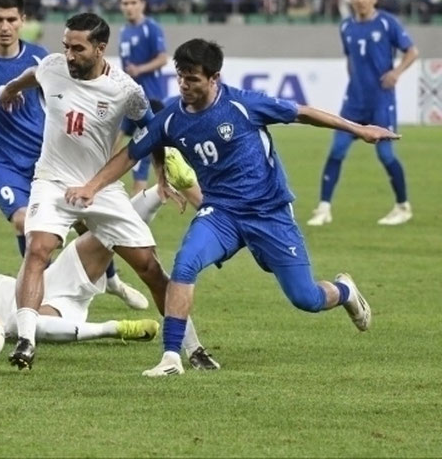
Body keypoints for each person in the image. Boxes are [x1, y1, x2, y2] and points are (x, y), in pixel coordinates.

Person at [66, 38, 395, 377]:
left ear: (214, 78)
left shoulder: (242, 104)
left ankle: (344, 291)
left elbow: (304, 113)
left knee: (306, 298)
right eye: (180, 76)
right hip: (221, 213)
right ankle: (171, 358)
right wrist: (93, 186)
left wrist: (360, 129)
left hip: (269, 213)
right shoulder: (171, 118)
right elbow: (130, 154)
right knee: (185, 263)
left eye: (192, 78)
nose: (184, 85)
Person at [0, 12, 188, 370]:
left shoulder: (125, 89)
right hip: (51, 181)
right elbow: (31, 76)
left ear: (100, 49)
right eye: (66, 46)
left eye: (78, 48)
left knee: (149, 267)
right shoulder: (52, 66)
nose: (69, 55)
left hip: (101, 188)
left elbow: (152, 128)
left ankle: (189, 347)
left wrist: (162, 172)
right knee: (38, 249)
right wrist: (9, 90)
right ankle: (26, 340)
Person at [0, 0, 147, 308]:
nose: (5, 26)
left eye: (11, 19)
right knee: (25, 222)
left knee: (85, 222)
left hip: (47, 156)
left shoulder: (42, 58)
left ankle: (112, 280)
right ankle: (46, 293)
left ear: (22, 21)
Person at [0, 188, 218, 369]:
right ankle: (114, 328)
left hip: (48, 283)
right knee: (23, 326)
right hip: (42, 317)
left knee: (106, 233)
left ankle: (161, 189)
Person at [308, 0, 419, 227]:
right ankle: (324, 208)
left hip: (381, 102)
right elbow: (350, 59)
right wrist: (357, 82)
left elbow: (412, 51)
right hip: (354, 103)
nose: (361, 0)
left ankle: (403, 206)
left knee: (386, 154)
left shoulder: (386, 22)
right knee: (336, 151)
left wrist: (396, 72)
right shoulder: (346, 26)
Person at [118, 0, 169, 195]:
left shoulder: (151, 28)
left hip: (150, 99)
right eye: (125, 3)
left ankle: (138, 202)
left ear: (142, 4)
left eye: (133, 2)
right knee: (113, 138)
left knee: (143, 156)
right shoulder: (123, 31)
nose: (129, 7)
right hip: (130, 97)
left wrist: (140, 69)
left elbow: (163, 58)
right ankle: (104, 186)